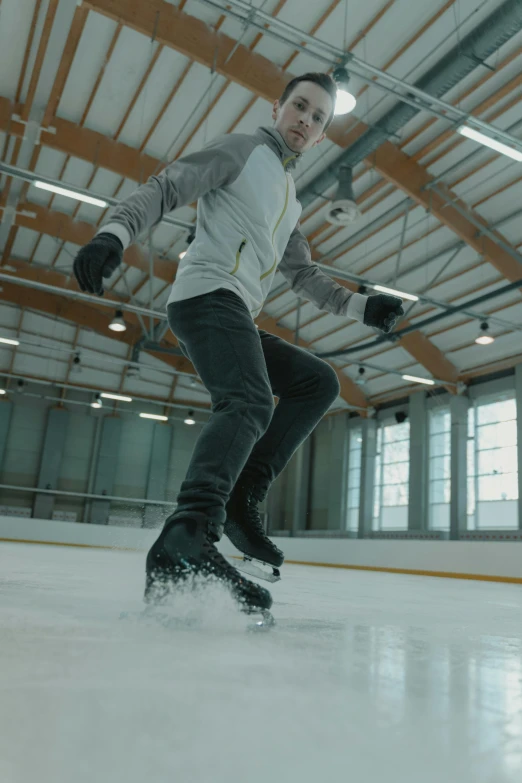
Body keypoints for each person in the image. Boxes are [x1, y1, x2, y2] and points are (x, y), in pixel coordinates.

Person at [73, 72, 404, 617]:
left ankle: (242, 497)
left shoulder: (288, 198)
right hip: (206, 295)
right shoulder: (243, 150)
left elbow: (303, 275)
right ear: (276, 108)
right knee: (249, 401)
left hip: (237, 313)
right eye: (299, 106)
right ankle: (190, 530)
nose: (306, 120)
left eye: (318, 117)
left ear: (321, 135)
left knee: (316, 382)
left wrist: (366, 307)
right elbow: (168, 185)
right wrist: (113, 234)